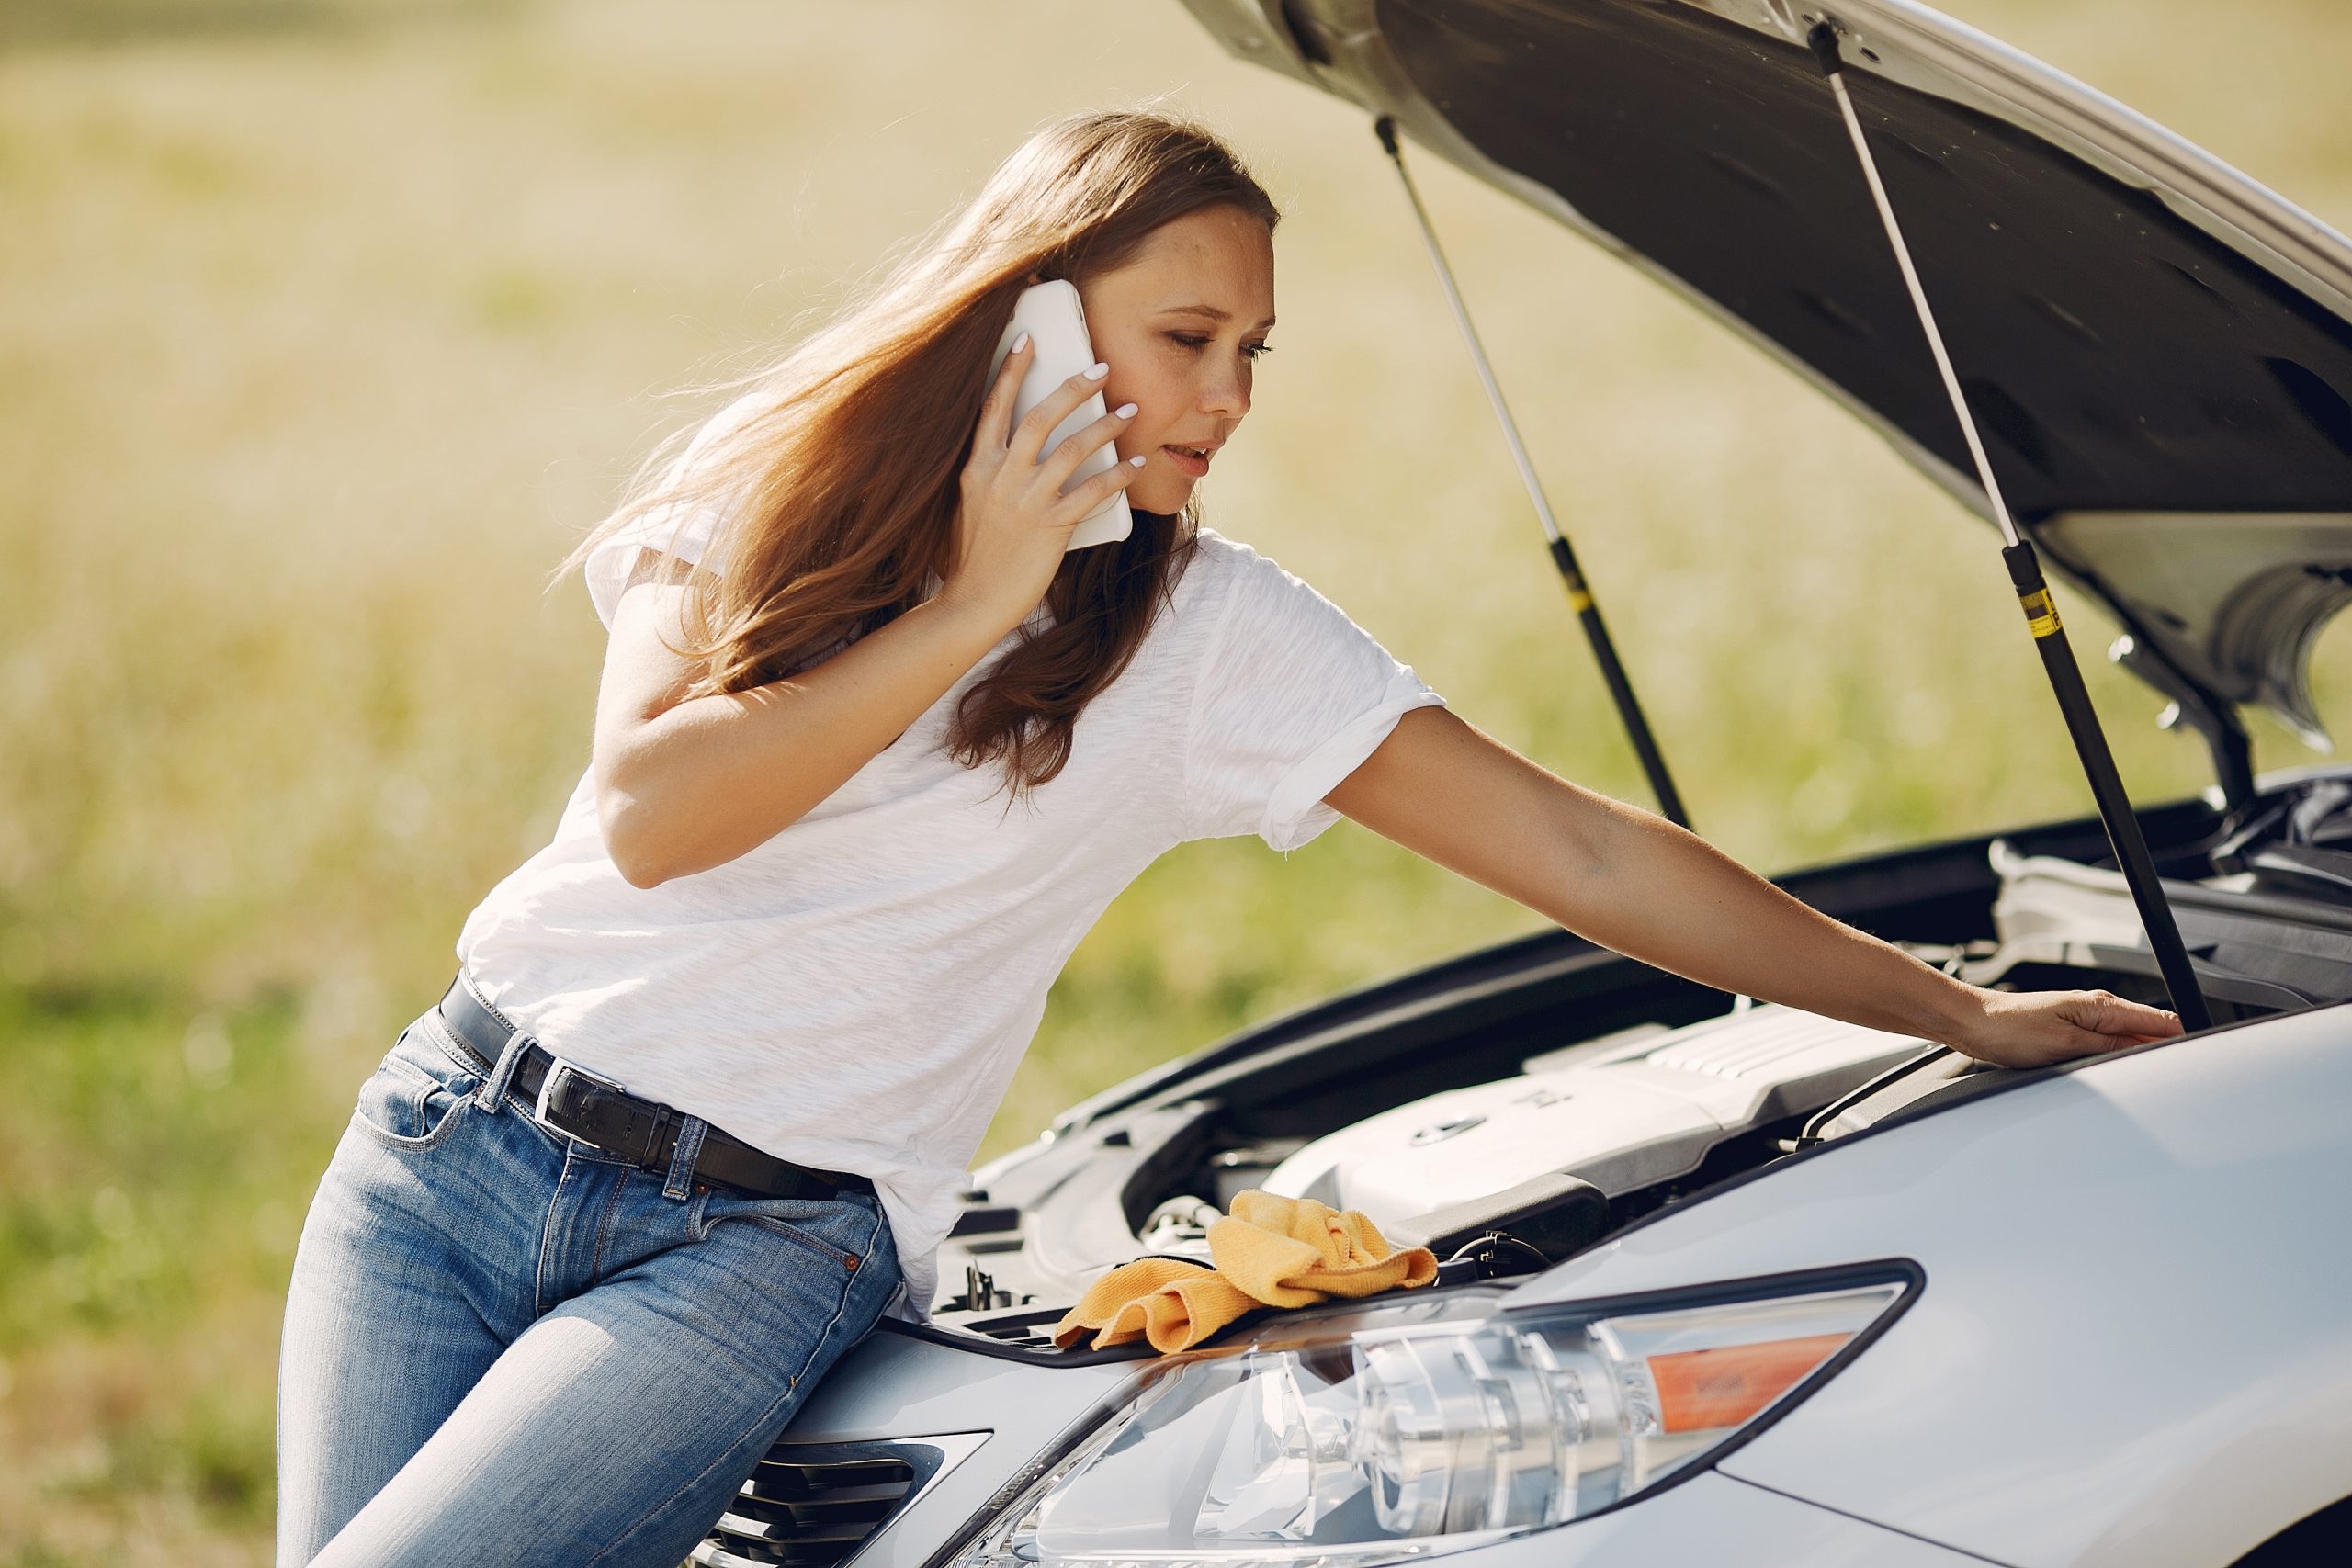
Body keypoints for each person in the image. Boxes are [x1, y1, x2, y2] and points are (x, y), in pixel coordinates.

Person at [272, 108, 2181, 1567]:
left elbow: (1582, 854)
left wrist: (1953, 1011)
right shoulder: (765, 486)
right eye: (1187, 335)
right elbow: (653, 814)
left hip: (753, 1247)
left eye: (1253, 350)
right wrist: (966, 606)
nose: (1227, 396)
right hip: (450, 1147)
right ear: (1023, 312)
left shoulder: (1210, 640)